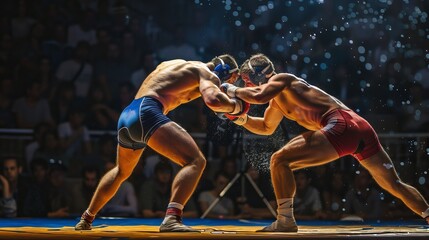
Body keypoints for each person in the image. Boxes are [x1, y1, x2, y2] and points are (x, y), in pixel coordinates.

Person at [220, 53, 429, 232]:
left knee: (279, 160)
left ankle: (285, 220)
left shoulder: (282, 79)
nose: (245, 85)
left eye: (247, 81)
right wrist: (239, 118)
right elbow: (266, 127)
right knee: (394, 184)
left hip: (340, 124)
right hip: (358, 127)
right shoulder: (276, 101)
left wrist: (229, 89)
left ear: (258, 76)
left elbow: (258, 95)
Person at [75, 54, 247, 232]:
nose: (225, 84)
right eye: (230, 79)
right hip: (148, 112)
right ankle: (172, 218)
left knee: (121, 171)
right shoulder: (206, 73)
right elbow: (213, 100)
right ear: (223, 71)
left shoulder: (176, 64)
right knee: (196, 161)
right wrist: (237, 107)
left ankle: (86, 218)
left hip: (128, 114)